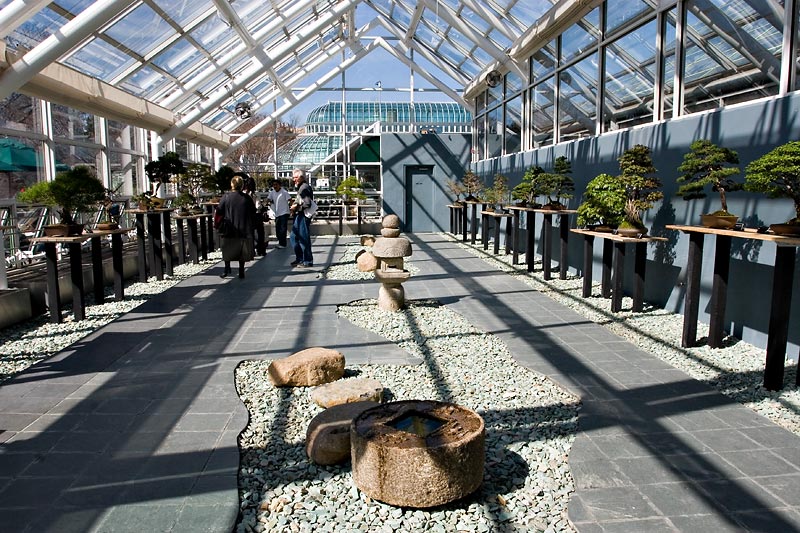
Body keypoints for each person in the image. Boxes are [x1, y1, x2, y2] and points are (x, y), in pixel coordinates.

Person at [216, 175, 256, 279]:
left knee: (227, 249)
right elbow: (253, 211)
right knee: (241, 251)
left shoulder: (226, 197)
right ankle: (241, 270)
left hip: (229, 227)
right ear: (242, 185)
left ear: (232, 184)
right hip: (243, 228)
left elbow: (219, 210)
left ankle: (226, 268)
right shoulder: (246, 198)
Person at [234, 171, 265, 255]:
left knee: (249, 233)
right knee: (260, 233)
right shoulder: (256, 194)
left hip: (247, 216)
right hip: (257, 215)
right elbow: (258, 206)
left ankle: (251, 250)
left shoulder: (243, 194)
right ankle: (260, 249)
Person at [290, 168, 314, 267]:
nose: (293, 179)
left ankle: (307, 260)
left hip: (303, 215)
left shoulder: (304, 188)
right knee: (294, 236)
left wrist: (297, 206)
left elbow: (307, 203)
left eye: (295, 177)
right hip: (301, 215)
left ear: (301, 177)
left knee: (303, 237)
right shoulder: (302, 187)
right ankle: (300, 258)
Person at [267, 179, 291, 248]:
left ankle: (283, 244)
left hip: (284, 212)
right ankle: (281, 242)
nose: (275, 186)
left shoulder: (284, 192)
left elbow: (290, 199)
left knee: (283, 229)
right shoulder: (272, 192)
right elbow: (268, 199)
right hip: (277, 213)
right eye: (273, 185)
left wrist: (292, 209)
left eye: (276, 185)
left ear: (279, 185)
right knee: (278, 229)